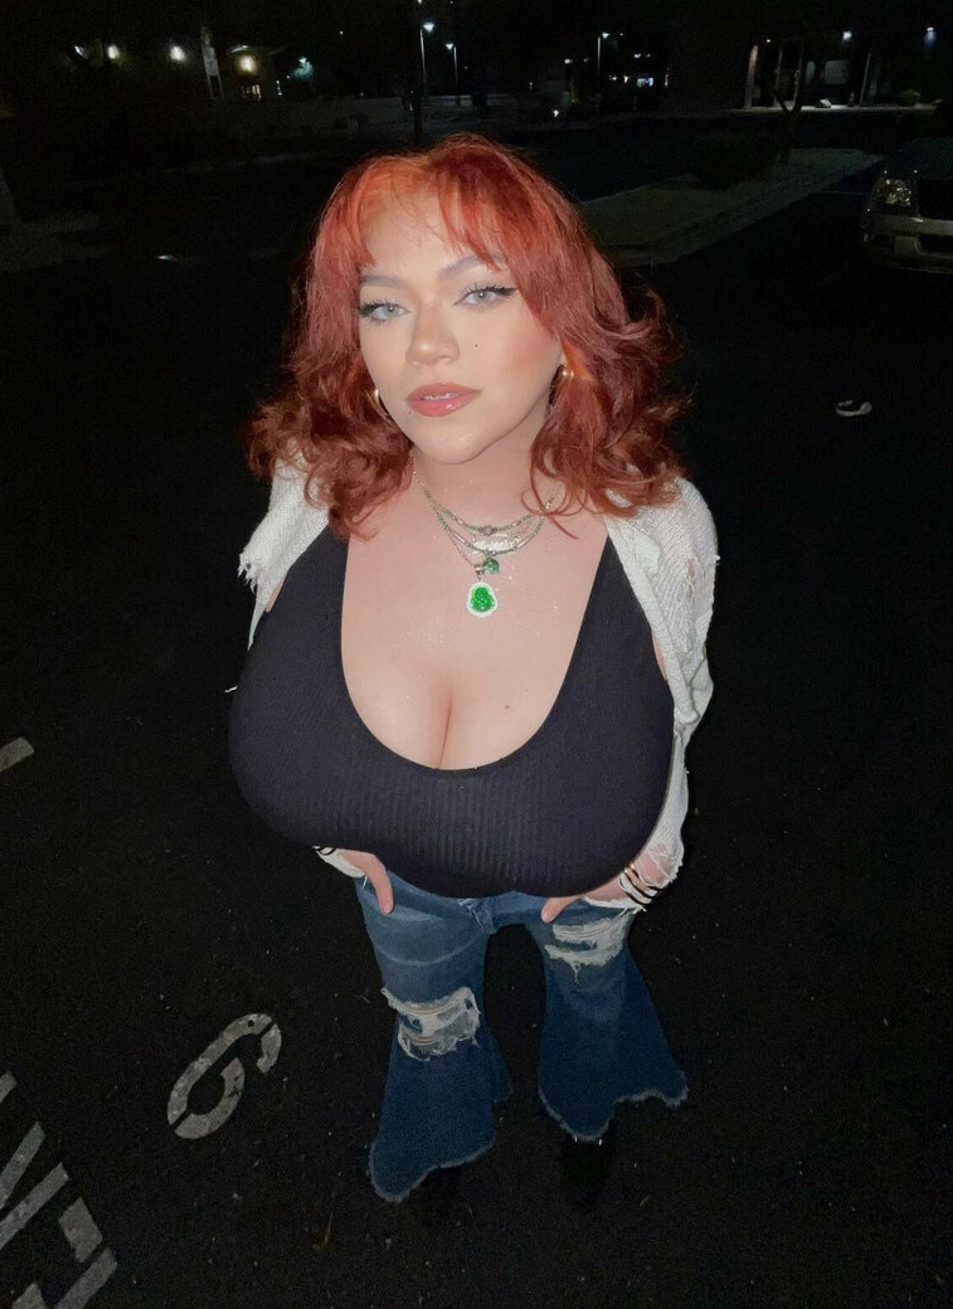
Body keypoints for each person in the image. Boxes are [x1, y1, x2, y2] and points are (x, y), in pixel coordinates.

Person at [228, 133, 717, 1218]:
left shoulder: (661, 526)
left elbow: (682, 699)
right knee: (428, 1023)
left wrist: (644, 853)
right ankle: (446, 1132)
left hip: (583, 875)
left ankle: (587, 1108)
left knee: (590, 995)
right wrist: (339, 828)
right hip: (400, 889)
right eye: (384, 304)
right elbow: (279, 674)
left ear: (568, 327)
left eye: (481, 290)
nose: (425, 346)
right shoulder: (315, 486)